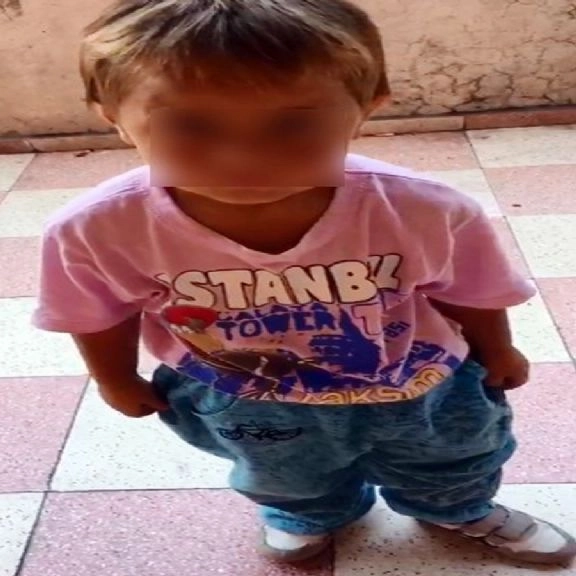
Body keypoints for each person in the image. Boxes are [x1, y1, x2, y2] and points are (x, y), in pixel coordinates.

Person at [33, 0, 576, 566]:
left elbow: (470, 290)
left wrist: (497, 349)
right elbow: (96, 312)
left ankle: (456, 506)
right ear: (111, 114)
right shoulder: (95, 228)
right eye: (189, 124)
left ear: (366, 107)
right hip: (245, 396)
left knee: (455, 456)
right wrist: (115, 379)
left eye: (293, 123)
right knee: (283, 474)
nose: (243, 156)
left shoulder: (426, 209)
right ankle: (306, 514)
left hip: (422, 382)